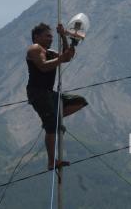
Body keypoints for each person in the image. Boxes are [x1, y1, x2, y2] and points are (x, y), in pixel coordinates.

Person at [26, 22, 88, 170]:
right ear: (37, 37)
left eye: (52, 36)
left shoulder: (50, 51)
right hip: (38, 92)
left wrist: (64, 37)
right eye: (47, 36)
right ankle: (51, 161)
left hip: (49, 93)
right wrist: (60, 59)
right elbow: (43, 66)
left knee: (79, 101)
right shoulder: (35, 49)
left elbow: (67, 57)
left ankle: (52, 119)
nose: (50, 39)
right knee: (52, 125)